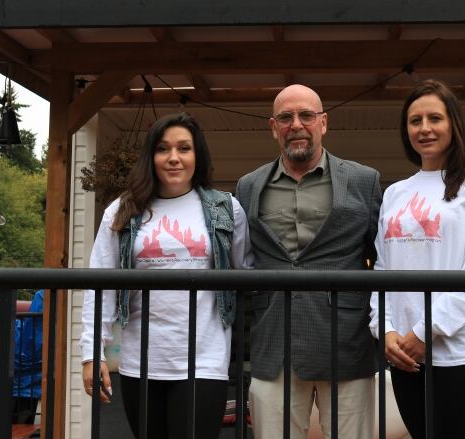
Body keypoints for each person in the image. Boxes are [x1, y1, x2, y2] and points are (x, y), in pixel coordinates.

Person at [79, 113, 252, 438]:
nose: (174, 157)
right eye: (163, 149)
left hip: (205, 358)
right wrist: (92, 352)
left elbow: (243, 273)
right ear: (151, 156)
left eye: (184, 148)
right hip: (140, 360)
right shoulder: (122, 212)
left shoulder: (227, 209)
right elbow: (99, 285)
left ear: (197, 155)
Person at [235, 84, 382, 439]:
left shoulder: (364, 180)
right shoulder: (249, 186)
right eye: (285, 117)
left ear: (324, 122)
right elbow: (244, 259)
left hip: (346, 342)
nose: (296, 124)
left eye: (306, 115)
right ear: (273, 127)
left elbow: (381, 259)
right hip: (274, 344)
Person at [369, 79, 465, 439]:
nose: (424, 128)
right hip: (404, 356)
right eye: (415, 121)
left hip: (460, 354)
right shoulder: (396, 193)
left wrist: (424, 331)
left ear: (453, 124)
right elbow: (381, 270)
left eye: (434, 118)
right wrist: (384, 330)